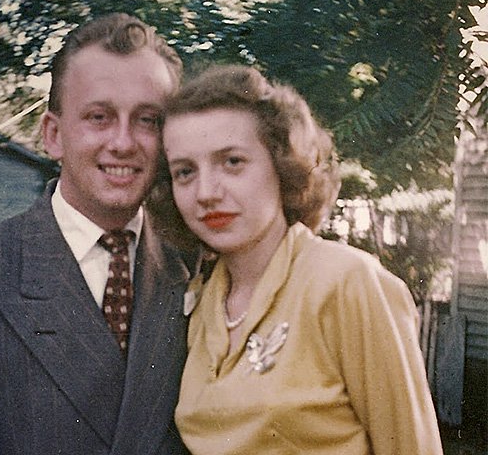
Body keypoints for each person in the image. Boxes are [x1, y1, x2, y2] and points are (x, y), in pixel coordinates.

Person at [0, 13, 193, 455]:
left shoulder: (200, 268)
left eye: (149, 120)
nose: (124, 142)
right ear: (53, 135)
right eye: (99, 116)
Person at [147, 64, 443, 454]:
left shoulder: (347, 282)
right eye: (185, 172)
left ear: (282, 163)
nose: (206, 192)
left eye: (232, 161)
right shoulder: (200, 305)